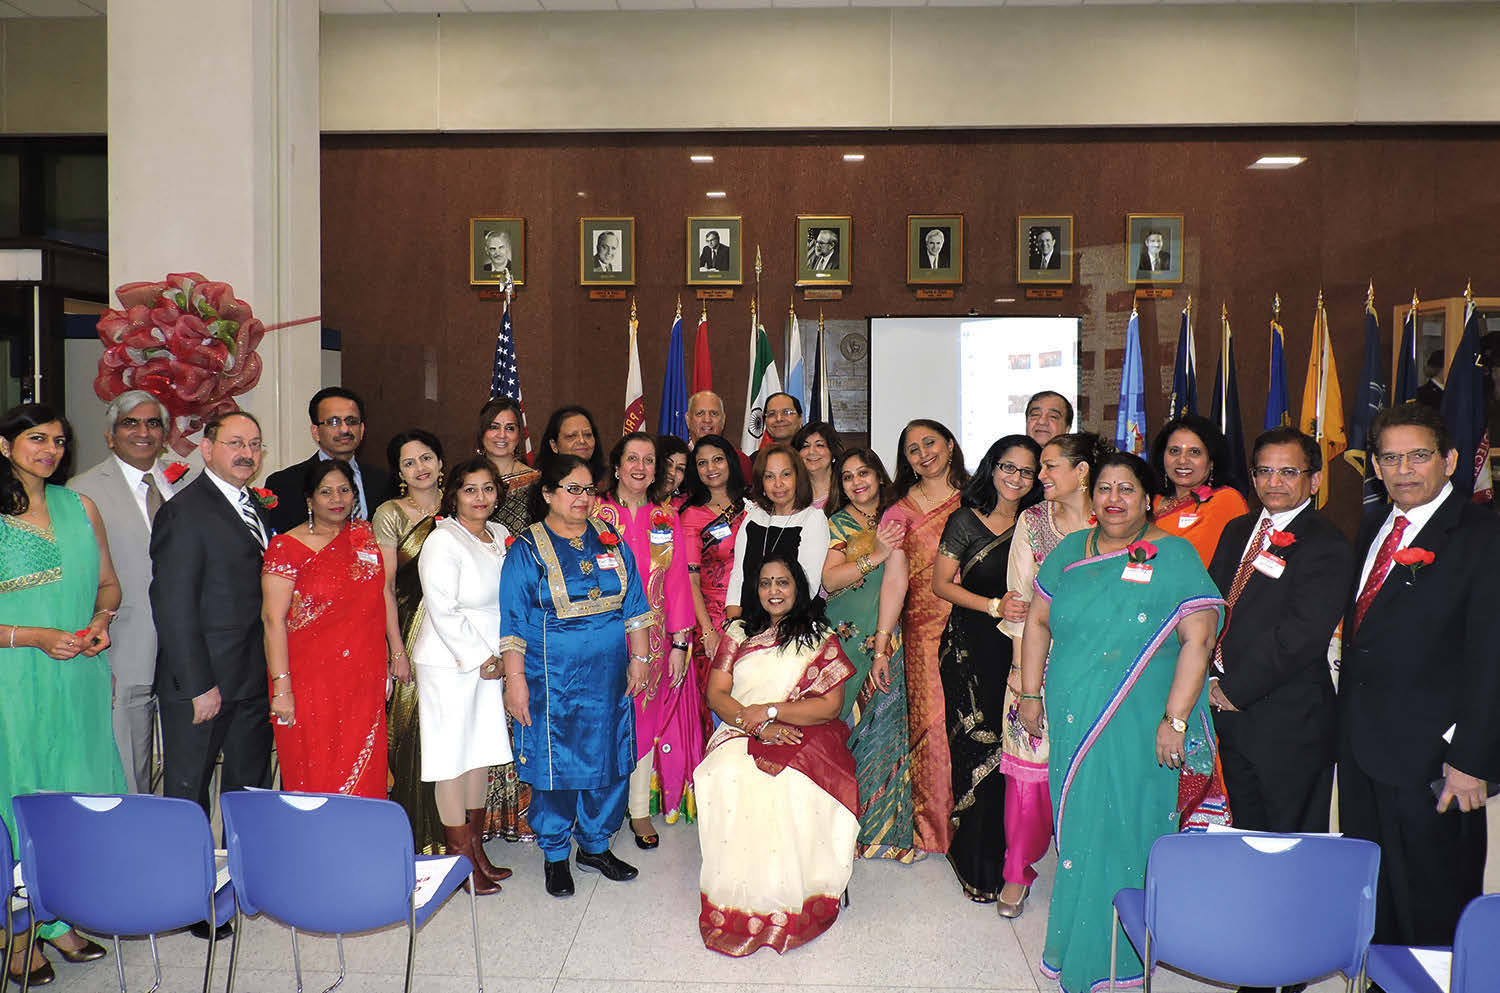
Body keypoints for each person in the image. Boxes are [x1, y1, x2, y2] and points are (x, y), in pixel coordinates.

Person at [1016, 452, 1227, 993]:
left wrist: (1175, 722)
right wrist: (1029, 692)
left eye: (1126, 489)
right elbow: (1037, 622)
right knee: (1081, 831)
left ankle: (1123, 958)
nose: (1113, 499)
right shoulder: (1069, 552)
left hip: (1140, 722)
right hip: (1072, 711)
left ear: (1147, 499)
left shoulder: (1174, 557)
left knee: (1127, 827)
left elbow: (1197, 641)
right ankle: (1074, 949)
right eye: (1105, 488)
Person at [1340, 402, 1500, 947]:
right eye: (1390, 458)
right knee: (1375, 895)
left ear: (1450, 460)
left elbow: (1492, 657)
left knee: (1434, 904)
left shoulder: (1483, 535)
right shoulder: (1372, 526)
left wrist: (1472, 760)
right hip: (1364, 751)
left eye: (1418, 456)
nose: (1403, 469)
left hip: (1437, 760)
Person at [1, 403, 122, 983]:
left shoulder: (82, 506)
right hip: (14, 682)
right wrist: (34, 636)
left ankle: (61, 914)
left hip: (77, 676)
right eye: (34, 439)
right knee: (20, 797)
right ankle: (19, 930)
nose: (49, 449)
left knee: (76, 790)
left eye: (57, 440)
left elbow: (108, 584)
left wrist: (101, 621)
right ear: (5, 447)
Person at [500, 455, 650, 898]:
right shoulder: (526, 550)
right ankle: (554, 854)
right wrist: (515, 681)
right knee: (556, 764)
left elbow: (636, 605)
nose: (582, 498)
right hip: (552, 678)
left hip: (609, 677)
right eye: (572, 488)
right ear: (547, 493)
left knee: (609, 757)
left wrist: (640, 658)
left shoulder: (610, 541)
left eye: (588, 489)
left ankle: (596, 845)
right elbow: (512, 623)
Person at [698, 555, 857, 956]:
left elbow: (829, 707)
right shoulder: (737, 633)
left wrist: (771, 712)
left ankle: (793, 889)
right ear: (755, 589)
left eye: (782, 582)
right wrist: (756, 725)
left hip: (804, 729)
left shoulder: (819, 637)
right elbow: (716, 694)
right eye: (765, 583)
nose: (773, 591)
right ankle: (741, 891)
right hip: (739, 729)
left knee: (786, 781)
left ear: (797, 588)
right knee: (726, 773)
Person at [1208, 427, 1353, 849]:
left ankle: (1294, 915)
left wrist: (1233, 689)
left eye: (1288, 472)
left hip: (1288, 720)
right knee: (1245, 833)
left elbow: (1301, 635)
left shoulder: (1326, 544)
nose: (1274, 482)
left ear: (1314, 479)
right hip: (1229, 712)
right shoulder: (1239, 529)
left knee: (1291, 840)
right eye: (1264, 471)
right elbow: (1216, 604)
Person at [1000, 430, 1108, 911]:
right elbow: (1020, 606)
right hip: (1035, 671)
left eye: (1048, 466)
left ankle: (1087, 869)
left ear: (1082, 472)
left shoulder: (1114, 523)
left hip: (1100, 675)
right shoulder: (1031, 522)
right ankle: (1017, 871)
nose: (1037, 476)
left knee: (1090, 774)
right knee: (1026, 778)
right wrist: (1028, 689)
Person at [934, 435, 1041, 905]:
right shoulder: (965, 520)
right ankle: (974, 854)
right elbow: (942, 585)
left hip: (1026, 649)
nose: (1016, 479)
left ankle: (1011, 857)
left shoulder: (1040, 522)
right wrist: (995, 604)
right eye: (1008, 467)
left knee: (1016, 754)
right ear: (991, 468)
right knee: (980, 749)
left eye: (1027, 471)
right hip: (970, 648)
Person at [261, 459, 402, 797]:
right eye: (326, 492)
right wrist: (282, 689)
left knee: (366, 770)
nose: (337, 498)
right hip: (310, 682)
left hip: (363, 679)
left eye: (344, 490)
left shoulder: (366, 538)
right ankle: (318, 847)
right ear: (310, 499)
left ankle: (360, 847)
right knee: (317, 768)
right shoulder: (286, 547)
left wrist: (394, 654)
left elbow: (384, 595)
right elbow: (272, 620)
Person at [69, 390, 187, 793]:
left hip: (186, 649)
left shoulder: (183, 482)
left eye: (153, 423)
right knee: (129, 765)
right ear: (110, 436)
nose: (143, 432)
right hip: (123, 646)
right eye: (130, 423)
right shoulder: (82, 491)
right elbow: (79, 578)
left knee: (189, 763)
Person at [411, 457, 514, 895]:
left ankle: (476, 850)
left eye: (488, 488)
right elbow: (442, 608)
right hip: (449, 662)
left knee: (480, 752)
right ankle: (458, 862)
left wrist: (502, 654)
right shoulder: (442, 541)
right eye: (470, 489)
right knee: (450, 759)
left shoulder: (501, 537)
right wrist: (480, 657)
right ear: (453, 494)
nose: (480, 498)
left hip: (489, 659)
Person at [591, 433, 698, 844]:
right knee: (604, 720)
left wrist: (679, 643)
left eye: (649, 460)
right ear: (616, 466)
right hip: (603, 637)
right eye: (632, 459)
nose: (640, 467)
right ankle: (601, 811)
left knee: (645, 719)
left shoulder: (664, 518)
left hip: (653, 640)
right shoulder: (596, 514)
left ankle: (637, 811)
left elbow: (677, 585)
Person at [821, 447, 919, 861]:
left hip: (887, 638)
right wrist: (876, 553)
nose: (857, 481)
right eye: (847, 476)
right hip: (845, 637)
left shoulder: (901, 515)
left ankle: (882, 832)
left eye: (864, 472)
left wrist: (883, 642)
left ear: (879, 476)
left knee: (885, 730)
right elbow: (829, 578)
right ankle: (840, 825)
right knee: (842, 728)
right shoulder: (837, 523)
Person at [886, 418, 969, 855]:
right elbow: (896, 581)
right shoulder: (899, 510)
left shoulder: (977, 500)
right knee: (932, 729)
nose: (923, 453)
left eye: (930, 442)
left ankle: (977, 825)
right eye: (912, 449)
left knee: (978, 726)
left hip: (977, 625)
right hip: (922, 634)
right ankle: (935, 830)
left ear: (950, 444)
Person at [372, 428, 446, 853]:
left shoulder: (459, 503)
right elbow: (384, 585)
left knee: (447, 724)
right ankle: (415, 833)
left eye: (426, 457)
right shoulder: (390, 513)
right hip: (410, 625)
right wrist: (396, 650)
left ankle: (450, 826)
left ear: (440, 460)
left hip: (455, 627)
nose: (420, 468)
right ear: (400, 472)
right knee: (412, 725)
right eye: (409, 462)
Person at [680, 434, 750, 742]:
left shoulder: (753, 505)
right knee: (722, 708)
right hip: (714, 623)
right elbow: (690, 580)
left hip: (759, 617)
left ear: (730, 462)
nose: (711, 468)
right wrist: (707, 631)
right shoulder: (692, 515)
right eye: (702, 463)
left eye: (717, 459)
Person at [264, 386, 393, 532]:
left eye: (351, 421)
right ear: (316, 432)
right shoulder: (285, 483)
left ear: (362, 429)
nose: (345, 429)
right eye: (334, 422)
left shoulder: (383, 480)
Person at [725, 445, 829, 619]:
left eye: (786, 474)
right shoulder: (753, 517)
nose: (778, 483)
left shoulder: (813, 519)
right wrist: (733, 625)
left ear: (798, 477)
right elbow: (738, 576)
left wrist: (774, 631)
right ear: (761, 482)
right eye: (769, 476)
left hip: (792, 624)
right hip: (748, 623)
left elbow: (807, 586)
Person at [1149, 414, 1249, 566]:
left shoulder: (1225, 501)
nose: (1182, 460)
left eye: (1194, 452)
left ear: (1211, 461)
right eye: (1174, 451)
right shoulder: (1150, 500)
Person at [688, 390, 754, 479]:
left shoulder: (740, 461)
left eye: (714, 413)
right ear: (688, 420)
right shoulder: (678, 462)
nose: (707, 420)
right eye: (700, 413)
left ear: (723, 421)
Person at [539, 404, 606, 485]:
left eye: (587, 435)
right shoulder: (540, 483)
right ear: (554, 445)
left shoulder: (606, 483)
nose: (582, 441)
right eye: (571, 436)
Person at [793, 420, 843, 508]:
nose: (811, 452)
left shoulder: (847, 492)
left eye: (819, 445)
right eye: (805, 446)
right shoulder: (789, 494)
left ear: (832, 452)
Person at [656, 433, 690, 507]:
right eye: (668, 464)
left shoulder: (684, 509)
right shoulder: (633, 500)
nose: (673, 472)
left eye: (680, 469)